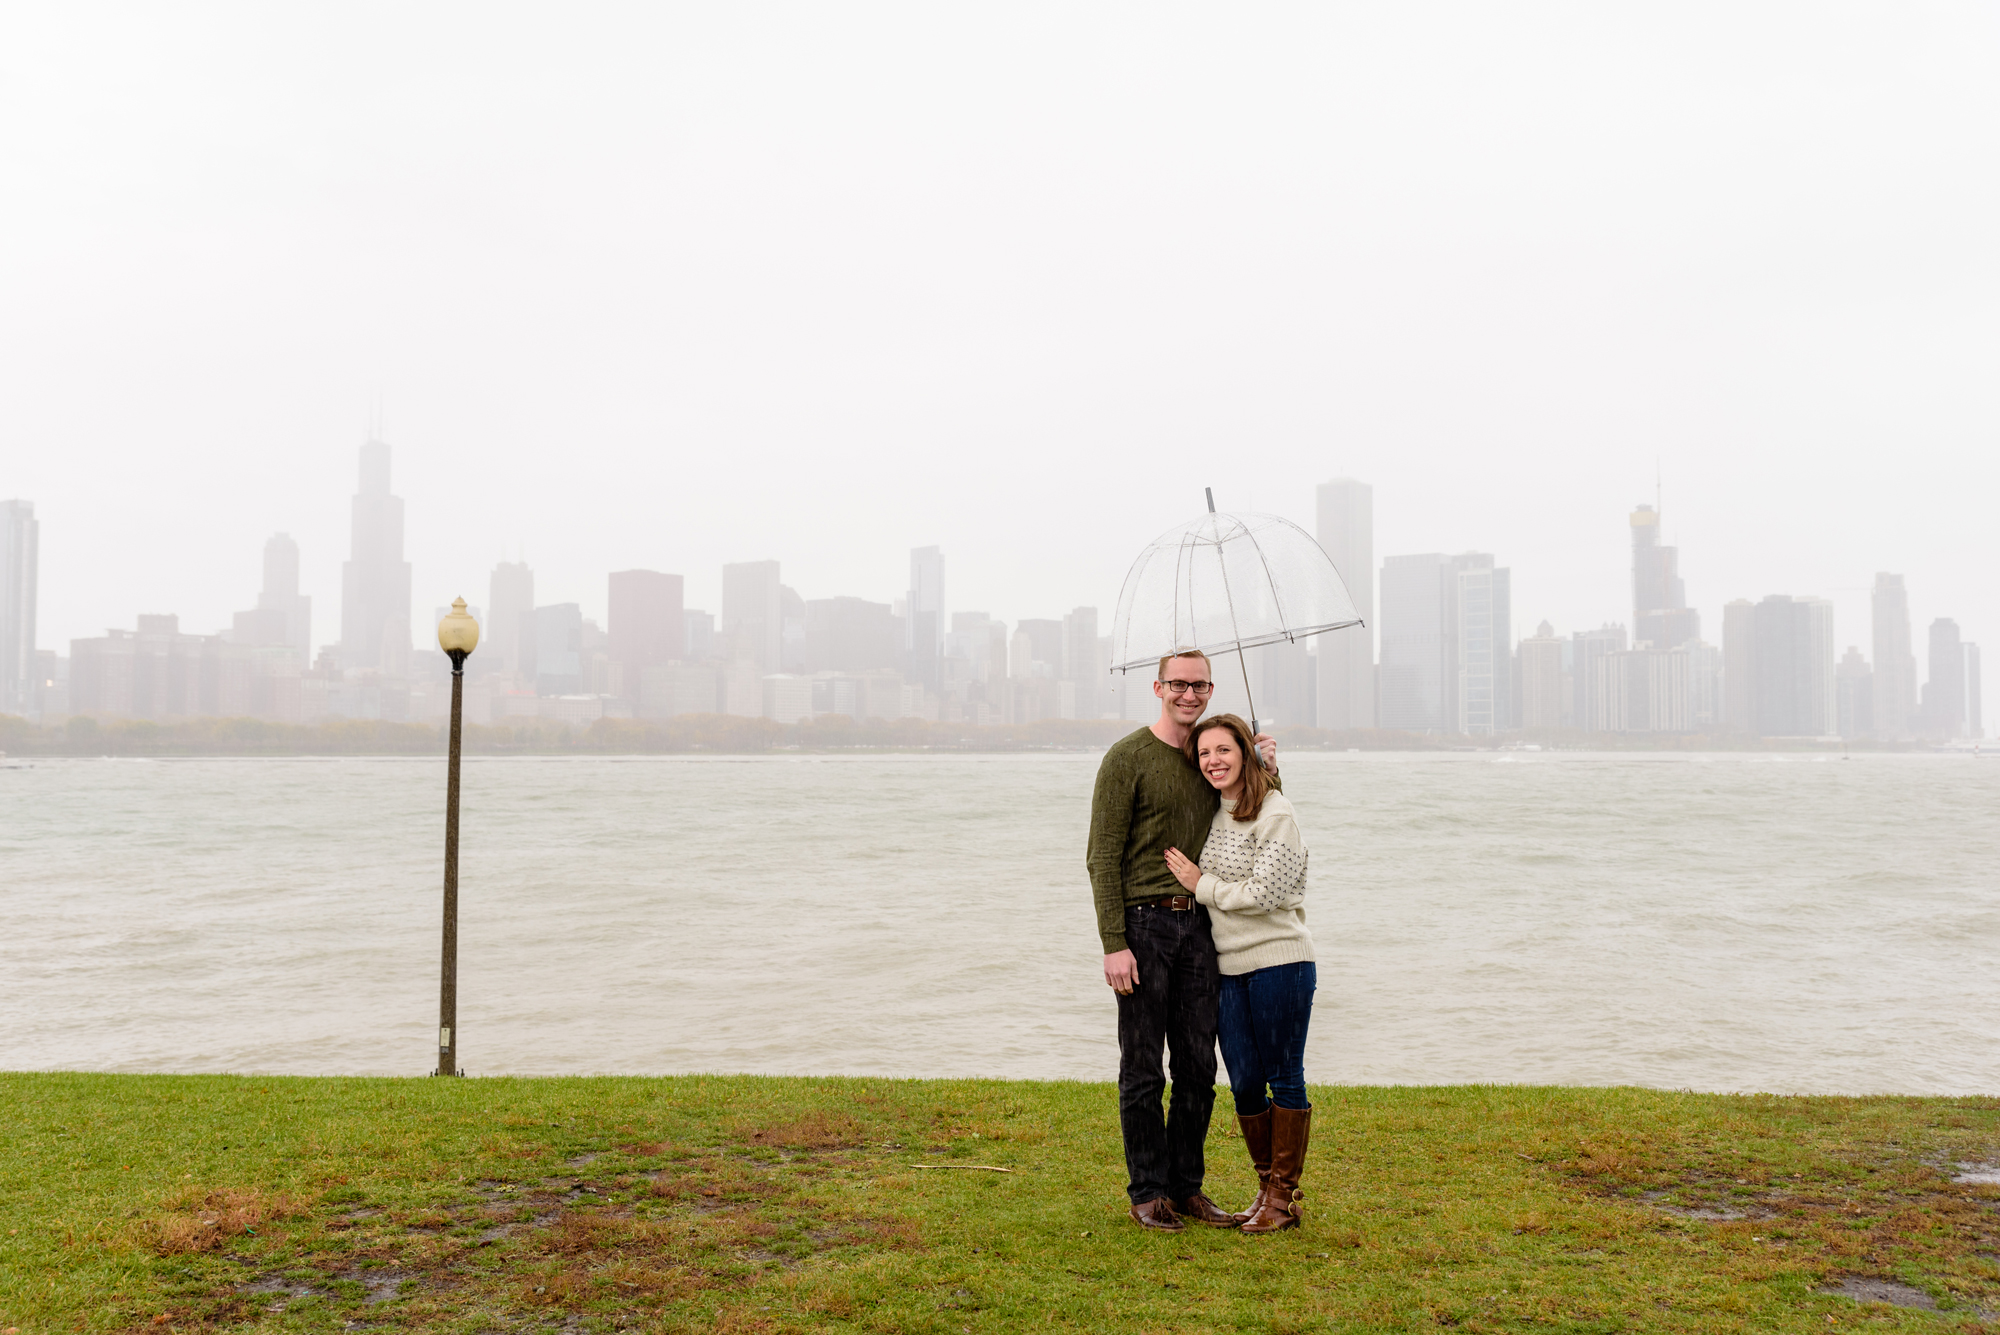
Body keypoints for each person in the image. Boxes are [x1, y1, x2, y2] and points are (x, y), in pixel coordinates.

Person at [1085, 649, 1277, 1232]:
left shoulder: (1210, 758)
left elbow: (1254, 817)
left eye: (1199, 685)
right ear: (1158, 687)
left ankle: (1186, 1187)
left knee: (1198, 1064)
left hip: (1199, 925)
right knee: (1143, 1068)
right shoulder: (1127, 758)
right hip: (1141, 928)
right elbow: (1101, 856)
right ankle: (1147, 1191)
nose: (1189, 694)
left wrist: (1266, 763)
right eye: (1179, 684)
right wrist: (1113, 941)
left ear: (1211, 690)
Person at [1163, 712, 1315, 1234]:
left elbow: (1265, 894)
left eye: (1224, 750)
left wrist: (1201, 884)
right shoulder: (1214, 811)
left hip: (1280, 962)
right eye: (1204, 754)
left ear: (1245, 752)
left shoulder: (1278, 813)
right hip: (1227, 968)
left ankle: (1284, 1198)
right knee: (1245, 1082)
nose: (1213, 762)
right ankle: (1266, 1186)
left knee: (1282, 1076)